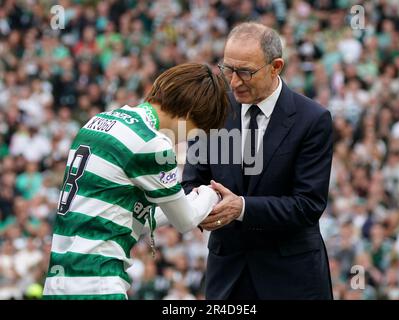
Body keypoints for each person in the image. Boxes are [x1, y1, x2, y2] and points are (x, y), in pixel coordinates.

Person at [43, 63, 229, 299]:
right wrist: (211, 194)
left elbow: (126, 214)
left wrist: (190, 199)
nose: (189, 139)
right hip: (99, 284)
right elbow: (185, 220)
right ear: (190, 114)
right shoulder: (152, 143)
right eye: (197, 130)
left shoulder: (99, 121)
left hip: (57, 283)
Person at [182, 22, 334, 299]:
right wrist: (207, 208)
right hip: (227, 274)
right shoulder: (212, 111)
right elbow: (192, 183)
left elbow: (308, 205)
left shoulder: (313, 119)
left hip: (292, 277)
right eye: (227, 69)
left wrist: (241, 208)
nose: (234, 81)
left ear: (276, 66)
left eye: (245, 72)